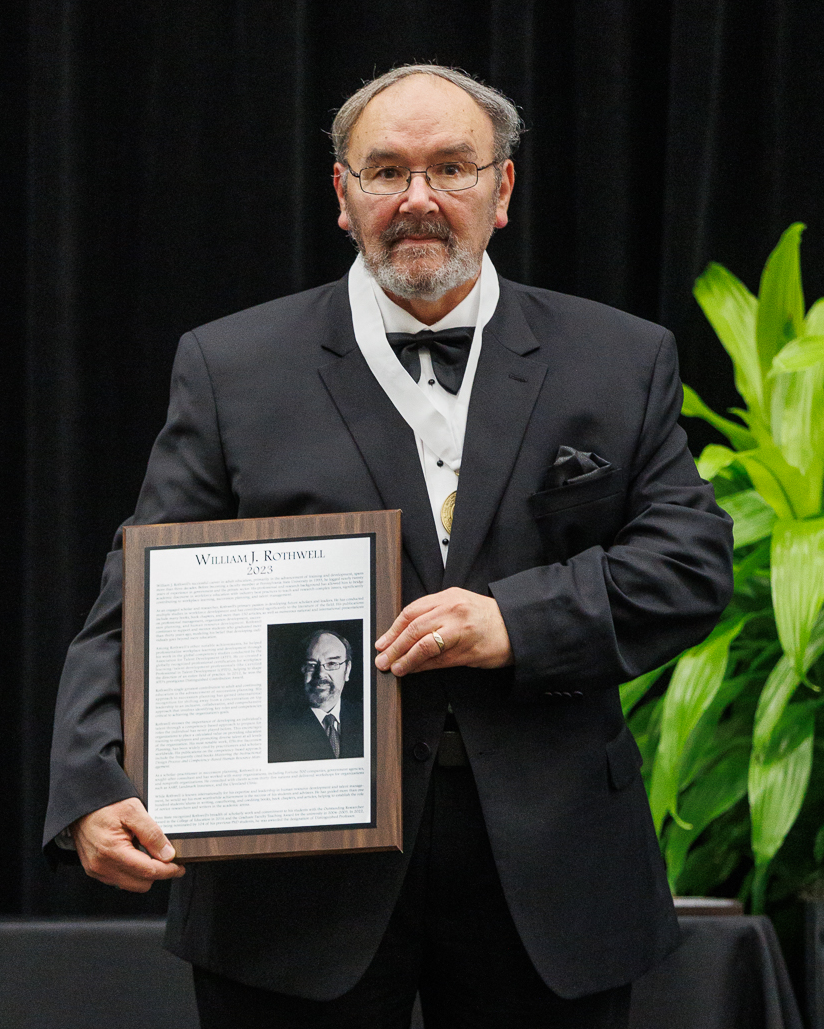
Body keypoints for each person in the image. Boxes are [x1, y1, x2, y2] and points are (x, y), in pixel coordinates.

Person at [45, 64, 734, 1028]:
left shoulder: (621, 357)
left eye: (452, 167)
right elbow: (142, 590)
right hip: (289, 884)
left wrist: (512, 620)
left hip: (551, 870)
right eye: (386, 171)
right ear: (343, 194)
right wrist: (92, 776)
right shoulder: (229, 365)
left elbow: (691, 566)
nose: (418, 199)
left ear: (502, 191)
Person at [268, 629, 364, 762]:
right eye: (311, 665)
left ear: (347, 670)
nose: (320, 674)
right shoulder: (276, 729)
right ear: (302, 669)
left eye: (332, 664)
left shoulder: (365, 716)